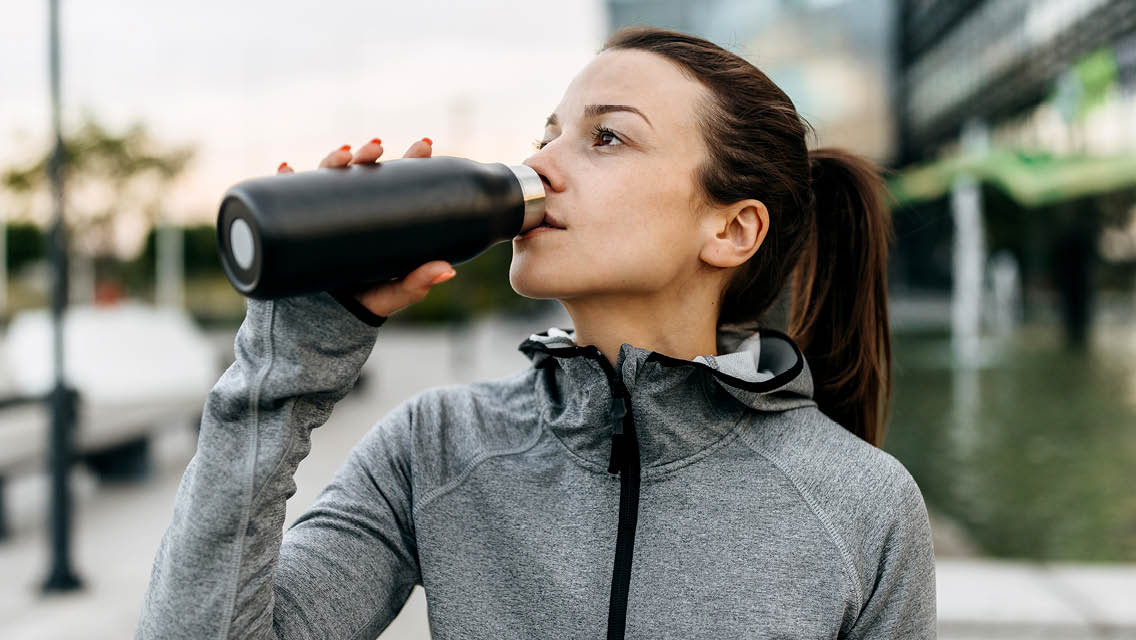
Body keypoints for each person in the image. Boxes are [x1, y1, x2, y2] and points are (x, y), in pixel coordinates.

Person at [137, 25, 935, 639]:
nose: (542, 163)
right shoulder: (436, 448)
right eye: (548, 133)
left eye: (606, 137)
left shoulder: (862, 506)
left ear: (731, 230)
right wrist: (288, 355)